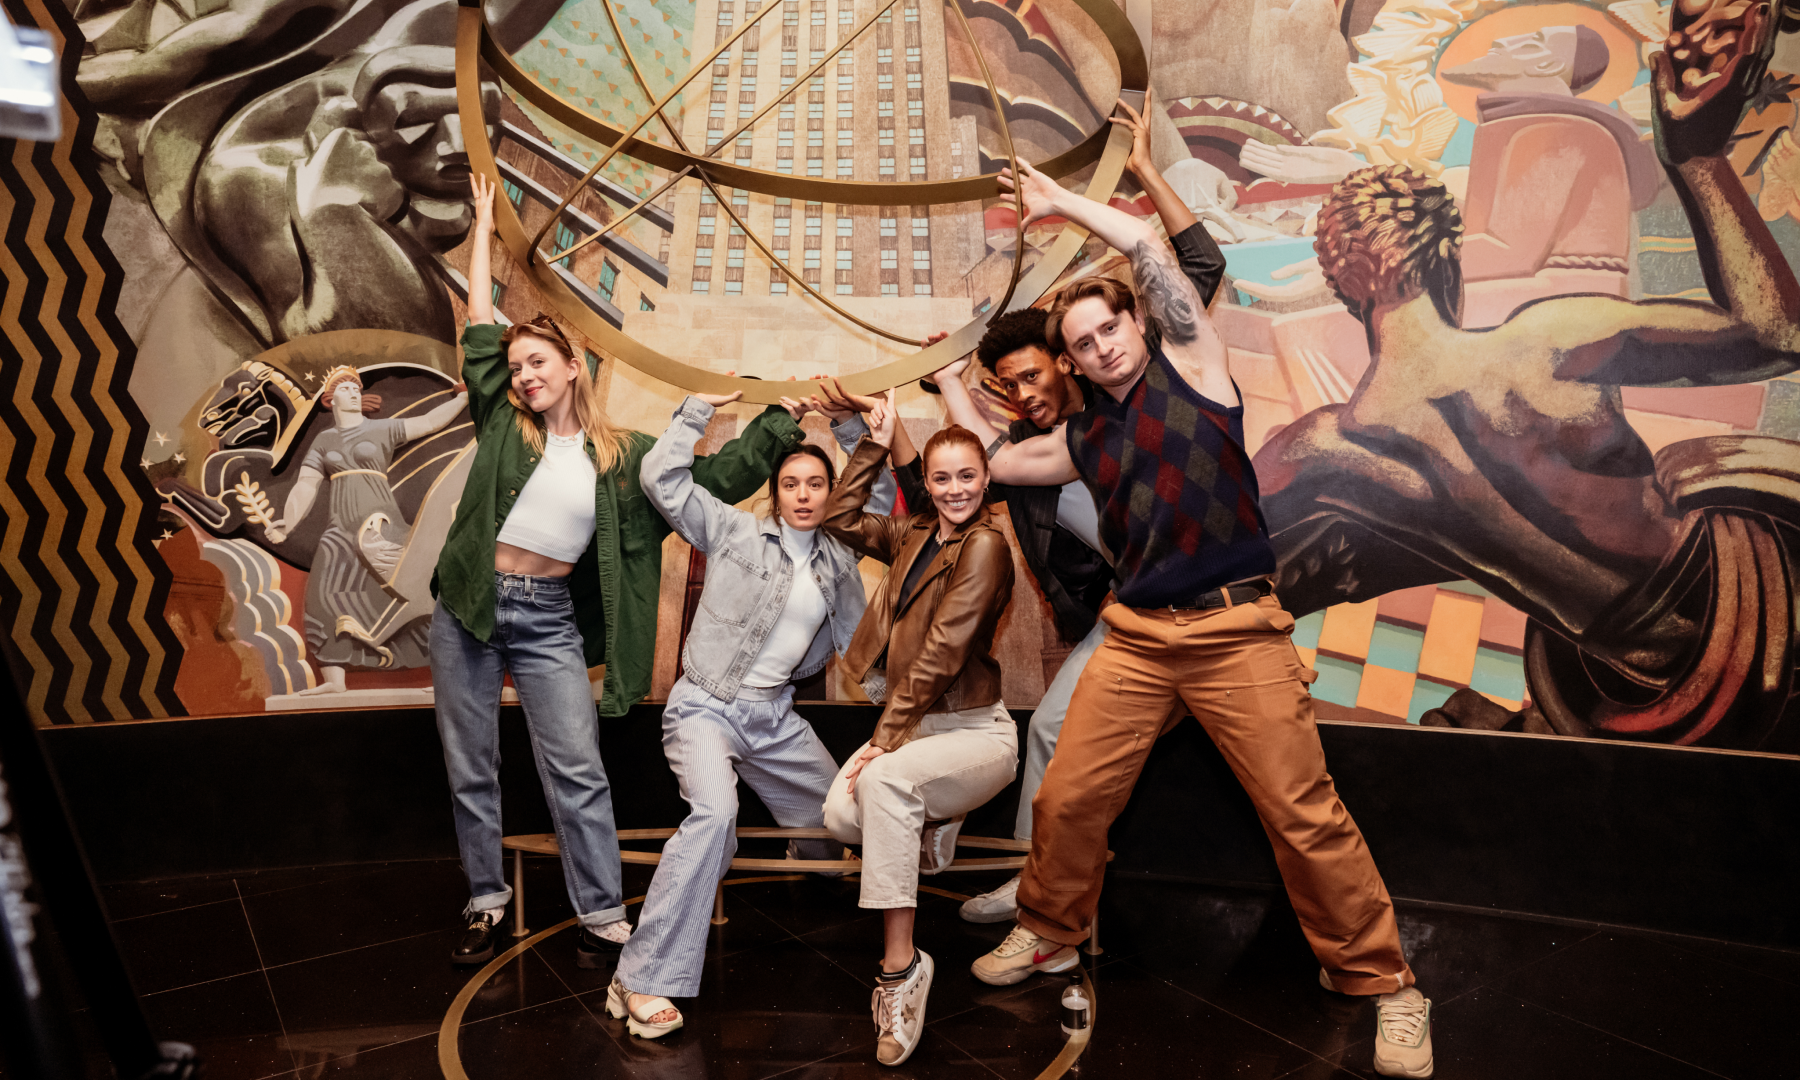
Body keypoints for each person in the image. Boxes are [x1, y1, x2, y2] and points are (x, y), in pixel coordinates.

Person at [955, 159, 1434, 1079]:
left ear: (1138, 322)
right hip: (1139, 639)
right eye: (1083, 343)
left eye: (1110, 327)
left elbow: (1145, 243)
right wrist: (943, 383)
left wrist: (1061, 206)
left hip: (1235, 631)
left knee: (1303, 813)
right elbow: (986, 467)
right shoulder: (1083, 438)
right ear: (1071, 361)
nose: (1101, 348)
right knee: (1069, 797)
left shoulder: (1197, 368)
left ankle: (1385, 982)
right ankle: (1049, 931)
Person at [1253, 2, 1800, 750]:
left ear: (1346, 285)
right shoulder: (1551, 339)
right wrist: (1697, 159)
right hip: (1743, 608)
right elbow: (1779, 330)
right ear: (1449, 258)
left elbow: (1211, 576)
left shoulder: (1322, 455)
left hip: (1644, 667)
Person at [431, 173, 807, 970]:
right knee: (472, 764)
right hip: (468, 607)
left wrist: (785, 422)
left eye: (539, 362)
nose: (526, 375)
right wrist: (481, 230)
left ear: (574, 366)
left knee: (576, 766)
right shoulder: (502, 419)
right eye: (518, 366)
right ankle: (485, 897)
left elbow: (715, 480)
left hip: (544, 619)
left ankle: (601, 910)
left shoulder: (626, 457)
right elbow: (478, 329)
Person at [885, 93, 1231, 922]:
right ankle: (1036, 887)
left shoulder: (1127, 406)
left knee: (1281, 789)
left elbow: (1200, 270)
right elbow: (949, 490)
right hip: (1126, 624)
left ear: (1072, 362)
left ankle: (1050, 888)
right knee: (1050, 736)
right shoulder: (1035, 461)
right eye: (1009, 388)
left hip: (1210, 610)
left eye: (1037, 374)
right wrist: (931, 399)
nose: (1025, 393)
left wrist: (1144, 171)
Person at [604, 389, 896, 1038]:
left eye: (816, 483)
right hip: (705, 706)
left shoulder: (840, 555)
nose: (802, 494)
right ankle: (639, 978)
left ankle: (806, 843)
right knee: (715, 816)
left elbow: (878, 506)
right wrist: (693, 413)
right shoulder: (734, 529)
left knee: (839, 821)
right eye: (790, 482)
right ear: (775, 490)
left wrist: (855, 427)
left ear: (828, 493)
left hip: (776, 718)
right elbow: (661, 477)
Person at [819, 401, 1019, 1067]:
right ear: (926, 483)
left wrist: (886, 737)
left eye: (968, 476)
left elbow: (943, 649)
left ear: (985, 479)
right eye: (942, 478)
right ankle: (933, 820)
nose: (955, 489)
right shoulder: (912, 535)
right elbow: (840, 518)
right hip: (917, 725)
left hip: (974, 731)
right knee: (840, 813)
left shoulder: (985, 545)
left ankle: (900, 972)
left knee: (883, 782)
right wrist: (874, 447)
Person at [265, 366, 467, 692]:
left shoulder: (382, 429)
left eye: (357, 389)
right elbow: (305, 486)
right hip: (339, 529)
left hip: (380, 524)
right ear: (330, 400)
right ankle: (334, 681)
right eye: (346, 389)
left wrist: (463, 398)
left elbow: (429, 422)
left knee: (413, 593)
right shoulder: (323, 440)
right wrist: (288, 523)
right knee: (322, 595)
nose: (355, 393)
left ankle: (446, 672)